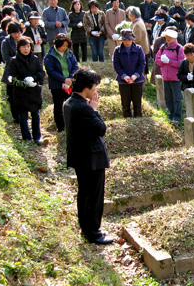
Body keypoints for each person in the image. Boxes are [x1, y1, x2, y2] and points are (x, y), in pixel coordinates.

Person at [63, 68, 113, 245]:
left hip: (80, 156)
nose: (96, 90)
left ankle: (87, 228)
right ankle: (93, 231)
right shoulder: (82, 108)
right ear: (87, 87)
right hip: (91, 158)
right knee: (93, 196)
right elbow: (101, 129)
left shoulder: (69, 102)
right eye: (94, 86)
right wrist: (94, 110)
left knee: (84, 194)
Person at [7, 36, 45, 145]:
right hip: (20, 93)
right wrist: (23, 82)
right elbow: (12, 76)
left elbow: (41, 73)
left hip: (34, 92)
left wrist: (34, 79)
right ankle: (26, 138)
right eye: (23, 47)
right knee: (23, 116)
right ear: (19, 48)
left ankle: (37, 137)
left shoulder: (35, 59)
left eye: (28, 46)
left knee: (35, 115)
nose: (26, 49)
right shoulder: (14, 61)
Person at [44, 34, 79, 132]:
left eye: (66, 46)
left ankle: (71, 126)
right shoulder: (50, 55)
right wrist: (63, 79)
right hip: (57, 85)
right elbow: (50, 71)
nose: (64, 48)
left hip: (70, 83)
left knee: (71, 104)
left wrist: (71, 77)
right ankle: (60, 127)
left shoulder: (69, 53)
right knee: (58, 106)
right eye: (63, 46)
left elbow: (75, 66)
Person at [113, 29, 146, 118]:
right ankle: (127, 120)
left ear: (132, 40)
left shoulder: (138, 49)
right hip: (123, 81)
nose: (127, 42)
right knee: (125, 104)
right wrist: (124, 76)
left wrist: (136, 75)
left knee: (137, 103)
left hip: (137, 80)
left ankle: (138, 120)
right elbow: (116, 65)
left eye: (129, 40)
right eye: (125, 40)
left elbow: (142, 63)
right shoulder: (117, 50)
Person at [155, 27, 185, 121]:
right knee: (168, 97)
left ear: (175, 38)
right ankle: (171, 112)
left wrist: (169, 61)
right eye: (167, 36)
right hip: (165, 77)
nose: (168, 38)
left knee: (177, 98)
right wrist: (163, 62)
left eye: (170, 37)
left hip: (175, 78)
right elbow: (157, 60)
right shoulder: (163, 47)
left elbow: (181, 63)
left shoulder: (179, 48)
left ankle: (177, 115)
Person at [1, 21, 24, 123]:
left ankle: (23, 115)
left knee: (22, 95)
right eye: (15, 32)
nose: (17, 35)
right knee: (12, 96)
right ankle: (16, 117)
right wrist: (17, 60)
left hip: (23, 72)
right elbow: (6, 57)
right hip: (11, 71)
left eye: (19, 32)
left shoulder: (23, 41)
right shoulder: (6, 42)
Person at [127, 6, 150, 74]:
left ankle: (142, 81)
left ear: (133, 15)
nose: (128, 16)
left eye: (129, 14)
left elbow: (137, 38)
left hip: (140, 49)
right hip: (142, 48)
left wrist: (128, 42)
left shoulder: (137, 24)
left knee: (140, 67)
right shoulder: (138, 21)